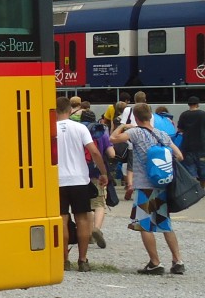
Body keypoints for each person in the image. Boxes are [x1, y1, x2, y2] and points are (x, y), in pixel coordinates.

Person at [110, 102, 186, 276]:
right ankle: (178, 260)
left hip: (145, 187)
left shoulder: (135, 132)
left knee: (145, 225)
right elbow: (179, 156)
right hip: (162, 186)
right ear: (150, 116)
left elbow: (113, 139)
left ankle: (155, 263)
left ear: (136, 118)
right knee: (165, 224)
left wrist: (123, 125)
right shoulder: (162, 134)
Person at [55, 96, 109, 272]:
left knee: (61, 219)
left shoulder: (49, 129)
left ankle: (64, 260)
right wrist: (103, 172)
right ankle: (83, 259)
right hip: (79, 180)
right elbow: (94, 151)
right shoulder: (80, 128)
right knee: (83, 218)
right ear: (70, 110)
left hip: (57, 180)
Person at [83, 111, 114, 248]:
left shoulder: (79, 130)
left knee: (86, 206)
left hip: (81, 174)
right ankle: (96, 228)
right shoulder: (102, 133)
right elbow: (112, 154)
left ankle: (88, 233)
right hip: (97, 173)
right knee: (99, 204)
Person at [177, 96, 205, 181]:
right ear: (198, 104)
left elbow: (180, 129)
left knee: (191, 170)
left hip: (187, 147)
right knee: (203, 170)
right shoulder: (203, 114)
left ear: (189, 104)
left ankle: (195, 191)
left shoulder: (184, 114)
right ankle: (202, 190)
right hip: (202, 147)